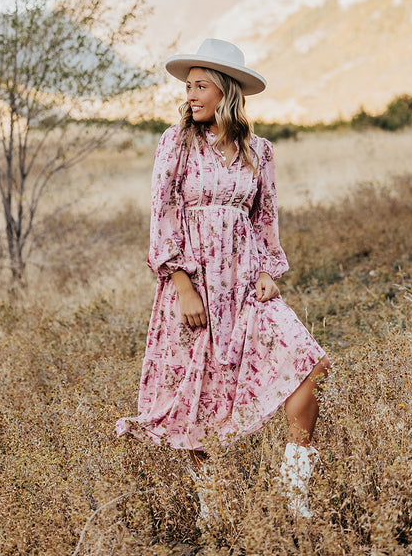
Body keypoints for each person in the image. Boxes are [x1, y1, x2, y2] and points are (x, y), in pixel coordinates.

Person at [115, 38, 331, 518]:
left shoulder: (260, 151)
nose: (190, 95)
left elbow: (265, 217)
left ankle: (295, 493)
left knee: (309, 363)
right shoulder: (176, 143)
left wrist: (271, 272)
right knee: (196, 392)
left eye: (200, 86)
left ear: (226, 91)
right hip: (193, 286)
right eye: (188, 87)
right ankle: (212, 503)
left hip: (246, 284)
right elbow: (163, 214)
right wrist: (183, 286)